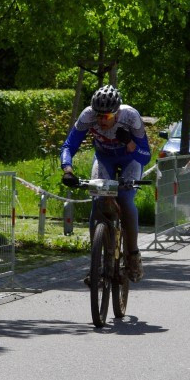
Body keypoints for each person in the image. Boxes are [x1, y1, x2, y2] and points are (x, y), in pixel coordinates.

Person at [60, 85, 151, 281]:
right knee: (98, 199)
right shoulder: (87, 115)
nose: (101, 121)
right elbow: (69, 145)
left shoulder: (131, 117)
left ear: (117, 113)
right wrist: (67, 169)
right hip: (104, 159)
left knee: (126, 199)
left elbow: (145, 156)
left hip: (130, 160)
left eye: (107, 117)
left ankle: (133, 256)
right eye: (99, 116)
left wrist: (130, 144)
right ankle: (96, 263)